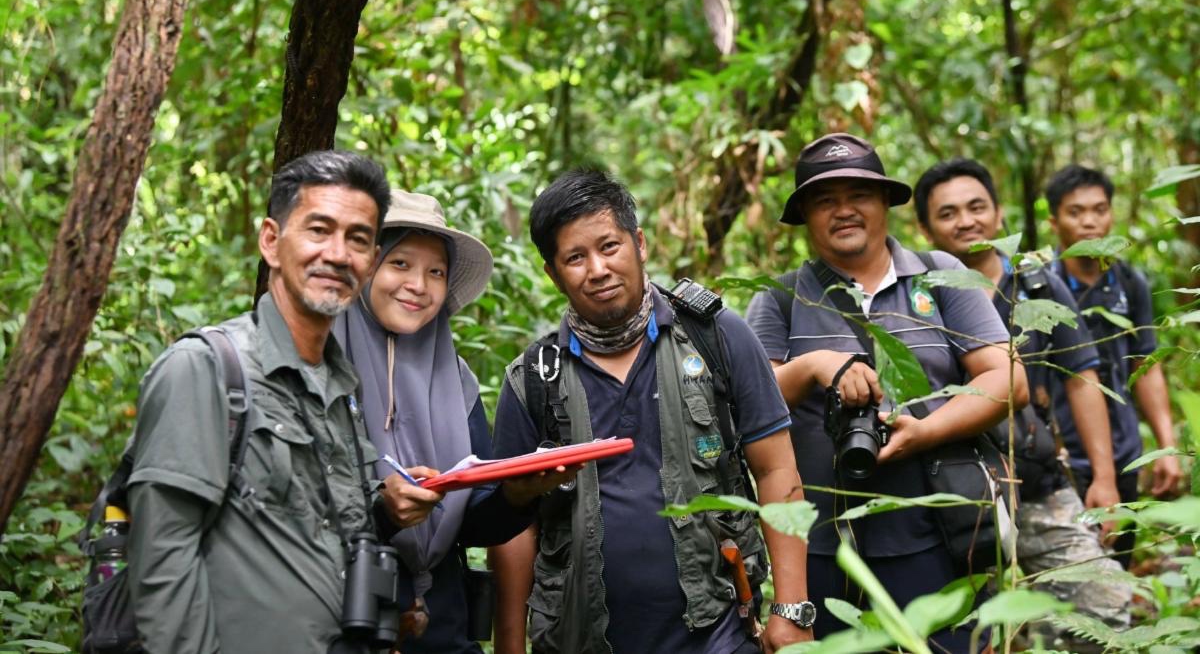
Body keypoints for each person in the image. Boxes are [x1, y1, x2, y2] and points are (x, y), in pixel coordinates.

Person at [490, 168, 812, 654]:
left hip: (719, 633)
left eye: (609, 247)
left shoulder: (717, 337)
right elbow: (514, 529)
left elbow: (777, 468)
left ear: (639, 243)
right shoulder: (533, 378)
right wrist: (510, 645)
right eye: (575, 257)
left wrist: (791, 609)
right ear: (553, 274)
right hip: (579, 639)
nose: (597, 269)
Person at [745, 134, 1028, 650]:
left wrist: (924, 432)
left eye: (860, 195)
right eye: (825, 200)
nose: (844, 211)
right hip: (821, 548)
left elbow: (1008, 380)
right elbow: (751, 408)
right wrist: (813, 367)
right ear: (805, 215)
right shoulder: (780, 299)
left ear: (885, 204)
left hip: (938, 535)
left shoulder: (942, 276)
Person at [127, 150, 397, 653]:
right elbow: (163, 560)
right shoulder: (204, 369)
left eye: (357, 239)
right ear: (271, 242)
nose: (338, 255)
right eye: (319, 230)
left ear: (372, 261)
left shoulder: (342, 389)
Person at [332, 190, 573, 653]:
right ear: (365, 268)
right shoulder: (320, 367)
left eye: (435, 272)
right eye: (400, 264)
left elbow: (474, 520)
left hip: (442, 623)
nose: (418, 285)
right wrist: (382, 512)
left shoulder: (455, 378)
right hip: (339, 620)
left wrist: (517, 494)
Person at [915, 157, 1131, 650]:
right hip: (952, 496)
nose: (966, 221)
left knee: (1104, 603)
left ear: (998, 213)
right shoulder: (914, 293)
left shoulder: (1035, 283)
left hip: (1036, 481)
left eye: (977, 207)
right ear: (924, 226)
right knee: (974, 634)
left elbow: (1081, 377)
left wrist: (1103, 478)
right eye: (947, 214)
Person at [1046, 164, 1184, 565]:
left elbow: (1146, 361)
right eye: (1076, 212)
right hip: (1063, 455)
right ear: (1054, 221)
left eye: (1100, 209)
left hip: (1123, 450)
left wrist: (1166, 448)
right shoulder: (1040, 283)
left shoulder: (1129, 282)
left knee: (1117, 565)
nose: (1090, 222)